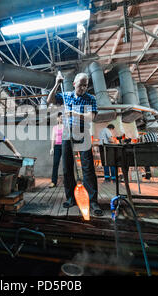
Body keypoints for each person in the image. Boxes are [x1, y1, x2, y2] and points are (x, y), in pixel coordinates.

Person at [47, 71, 103, 216]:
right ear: (74, 84)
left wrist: (74, 113)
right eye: (80, 85)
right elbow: (49, 100)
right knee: (67, 168)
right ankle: (71, 198)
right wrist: (57, 83)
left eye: (85, 85)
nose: (83, 88)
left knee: (88, 168)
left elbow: (91, 118)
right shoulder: (66, 96)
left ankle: (93, 201)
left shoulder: (91, 98)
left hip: (83, 133)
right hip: (67, 134)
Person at [49, 112, 63, 188]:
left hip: (64, 146)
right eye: (60, 117)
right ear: (57, 118)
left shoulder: (66, 126)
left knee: (66, 164)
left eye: (63, 117)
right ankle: (53, 182)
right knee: (55, 164)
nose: (61, 118)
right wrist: (52, 148)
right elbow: (53, 138)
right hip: (57, 146)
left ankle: (67, 181)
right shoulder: (55, 127)